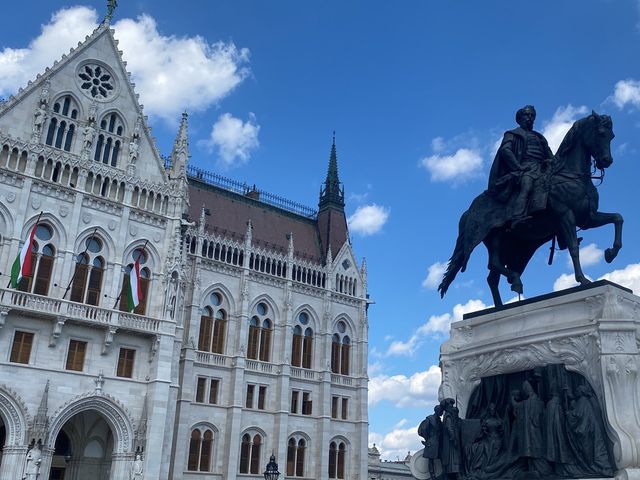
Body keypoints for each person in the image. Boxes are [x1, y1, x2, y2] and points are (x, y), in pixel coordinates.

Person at [487, 105, 555, 227]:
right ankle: (517, 217)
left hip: (542, 168)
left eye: (532, 115)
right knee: (527, 185)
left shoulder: (539, 137)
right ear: (520, 118)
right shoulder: (512, 134)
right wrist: (518, 167)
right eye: (526, 115)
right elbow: (505, 150)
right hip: (525, 167)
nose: (529, 118)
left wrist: (551, 162)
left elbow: (549, 154)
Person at [418, 404, 443, 480]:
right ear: (437, 411)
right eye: (441, 411)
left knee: (441, 457)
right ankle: (432, 476)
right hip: (431, 442)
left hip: (438, 442)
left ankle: (441, 474)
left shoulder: (439, 421)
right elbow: (422, 429)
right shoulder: (430, 419)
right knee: (431, 459)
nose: (442, 413)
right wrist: (427, 439)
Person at [440, 398, 461, 479]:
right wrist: (454, 438)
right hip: (450, 442)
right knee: (452, 460)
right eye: (450, 405)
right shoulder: (448, 416)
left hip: (450, 441)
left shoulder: (449, 415)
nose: (452, 407)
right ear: (447, 407)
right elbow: (449, 428)